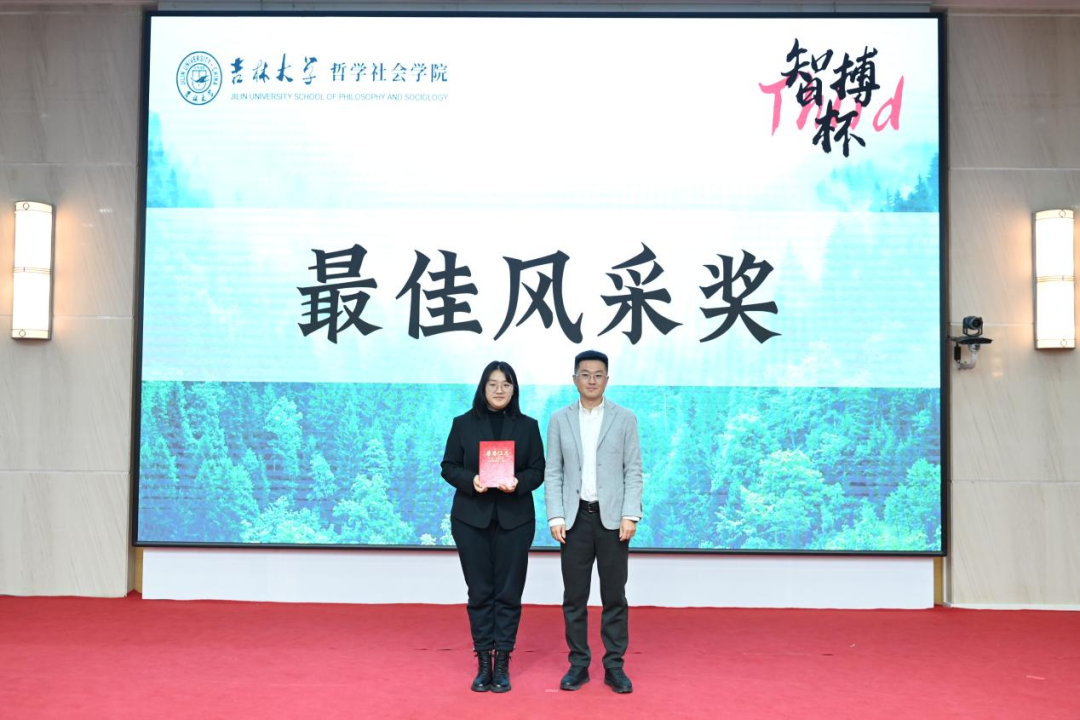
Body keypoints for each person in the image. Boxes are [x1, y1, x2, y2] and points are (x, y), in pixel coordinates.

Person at [441, 360, 545, 693]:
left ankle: (503, 662)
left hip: (515, 520)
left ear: (514, 389)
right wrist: (472, 480)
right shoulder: (462, 424)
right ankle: (484, 660)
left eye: (506, 384)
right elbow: (448, 466)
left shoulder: (528, 426)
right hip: (471, 519)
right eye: (493, 383)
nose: (499, 390)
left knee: (509, 592)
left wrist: (519, 482)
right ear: (483, 387)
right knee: (480, 591)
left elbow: (538, 470)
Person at [545, 349, 643, 694]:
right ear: (574, 379)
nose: (591, 380)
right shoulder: (559, 419)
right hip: (574, 520)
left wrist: (630, 514)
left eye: (598, 375)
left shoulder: (625, 418)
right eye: (585, 374)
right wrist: (556, 515)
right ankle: (578, 665)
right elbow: (553, 471)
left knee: (614, 596)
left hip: (613, 520)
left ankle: (614, 666)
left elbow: (633, 469)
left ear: (607, 379)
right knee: (574, 597)